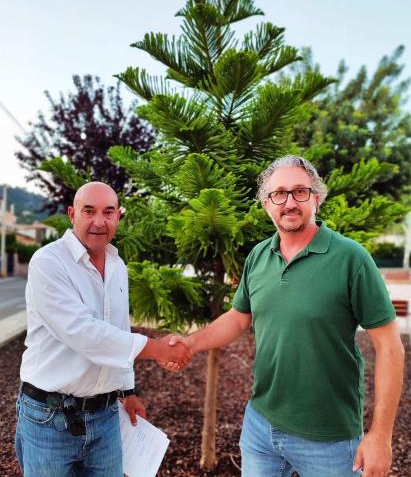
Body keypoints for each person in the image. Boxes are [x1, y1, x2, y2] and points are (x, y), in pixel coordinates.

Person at [163, 156, 405, 477]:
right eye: (279, 193)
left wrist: (381, 436)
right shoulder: (258, 256)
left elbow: (390, 347)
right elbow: (238, 317)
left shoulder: (352, 259)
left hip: (329, 437)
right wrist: (190, 344)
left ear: (316, 199)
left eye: (300, 192)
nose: (289, 202)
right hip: (261, 426)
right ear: (267, 205)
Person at [15, 182, 191, 477]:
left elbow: (118, 327)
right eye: (89, 211)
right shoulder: (48, 262)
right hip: (49, 420)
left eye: (108, 212)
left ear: (118, 217)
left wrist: (129, 390)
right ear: (72, 214)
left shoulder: (117, 265)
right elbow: (83, 332)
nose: (99, 221)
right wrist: (156, 348)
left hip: (106, 418)